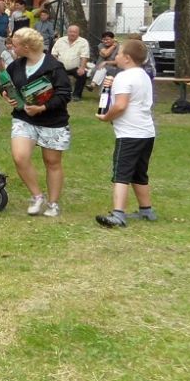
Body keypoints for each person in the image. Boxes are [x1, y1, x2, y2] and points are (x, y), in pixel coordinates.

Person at [0, 27, 72, 218]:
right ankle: (37, 196)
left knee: (52, 162)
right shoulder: (16, 65)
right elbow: (6, 85)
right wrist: (6, 95)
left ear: (26, 47)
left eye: (15, 45)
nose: (12, 48)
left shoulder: (54, 67)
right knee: (20, 157)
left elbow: (64, 94)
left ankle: (53, 203)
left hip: (52, 121)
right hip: (24, 118)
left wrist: (42, 107)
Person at [95, 39, 158, 228]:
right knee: (139, 172)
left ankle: (118, 214)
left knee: (121, 173)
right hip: (146, 132)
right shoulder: (143, 75)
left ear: (127, 58)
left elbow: (120, 105)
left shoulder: (124, 77)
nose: (117, 56)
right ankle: (146, 210)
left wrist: (106, 117)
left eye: (119, 53)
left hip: (130, 133)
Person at [51, 25, 91, 101]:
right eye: (70, 32)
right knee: (50, 73)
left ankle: (76, 95)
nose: (72, 34)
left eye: (75, 32)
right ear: (67, 32)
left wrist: (82, 68)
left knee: (82, 74)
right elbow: (54, 54)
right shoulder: (60, 40)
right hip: (60, 67)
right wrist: (56, 65)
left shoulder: (83, 42)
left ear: (78, 33)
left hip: (75, 68)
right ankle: (54, 94)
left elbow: (84, 56)